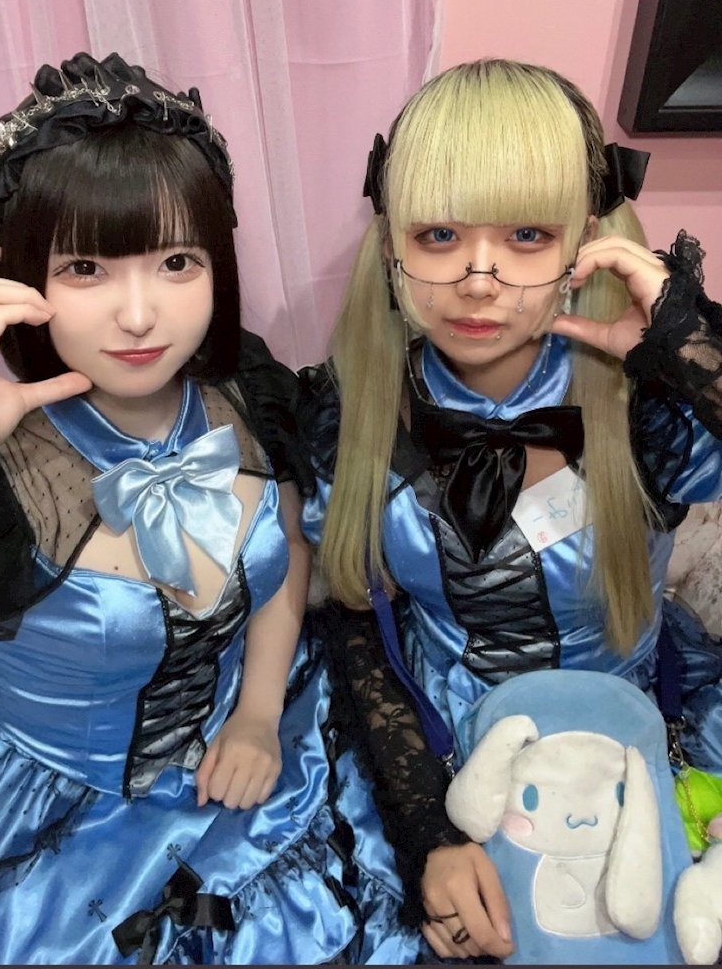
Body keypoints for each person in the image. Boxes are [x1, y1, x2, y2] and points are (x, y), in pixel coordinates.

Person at [0, 52, 384, 965]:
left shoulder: (249, 393)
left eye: (177, 262)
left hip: (248, 757)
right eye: (87, 268)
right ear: (17, 276)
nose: (142, 315)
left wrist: (258, 712)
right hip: (44, 814)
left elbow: (287, 550)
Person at [299, 58, 722, 962]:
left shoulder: (649, 403)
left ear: (585, 242)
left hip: (635, 722)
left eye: (527, 235)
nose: (480, 277)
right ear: (392, 247)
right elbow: (355, 620)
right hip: (438, 734)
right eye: (439, 234)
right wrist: (426, 831)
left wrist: (681, 341)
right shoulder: (351, 407)